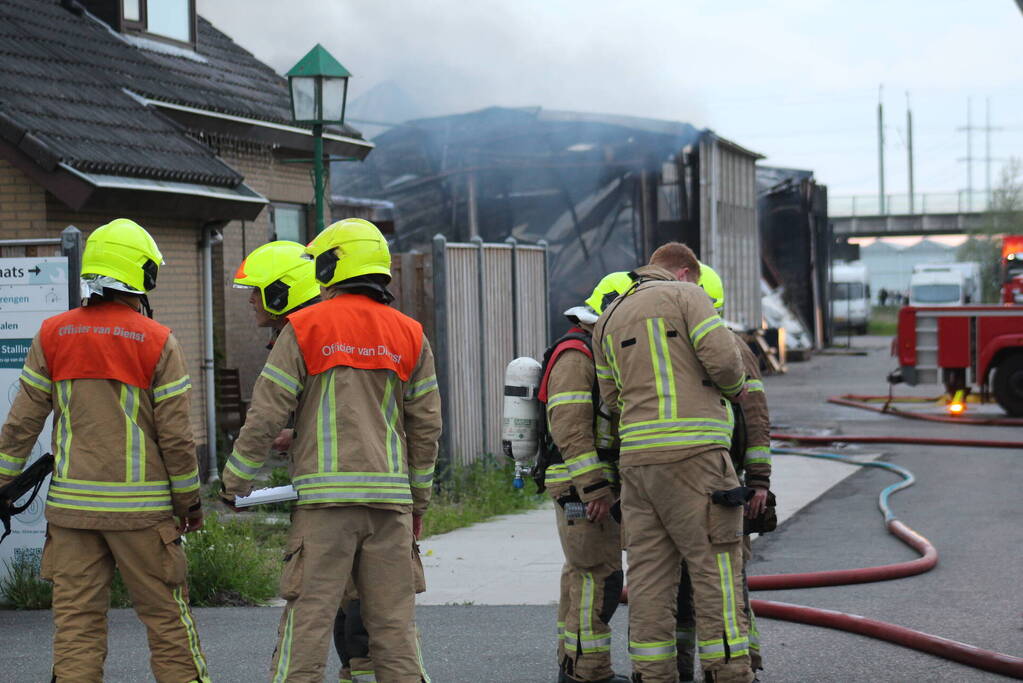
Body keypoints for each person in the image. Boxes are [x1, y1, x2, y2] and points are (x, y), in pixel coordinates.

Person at [221, 218, 442, 683]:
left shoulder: (304, 326)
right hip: (390, 506)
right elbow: (426, 430)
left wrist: (234, 483)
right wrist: (418, 502)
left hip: (325, 508)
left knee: (308, 624)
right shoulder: (410, 333)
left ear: (330, 265)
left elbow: (265, 415)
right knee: (395, 632)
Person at [0, 218, 210, 682]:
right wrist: (189, 503)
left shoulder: (53, 335)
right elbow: (176, 439)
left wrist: (1, 483)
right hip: (143, 515)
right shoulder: (158, 341)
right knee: (167, 623)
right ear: (142, 277)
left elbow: (20, 426)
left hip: (73, 515)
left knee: (77, 626)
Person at [593, 242, 754, 683]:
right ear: (685, 272)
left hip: (638, 464)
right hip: (697, 458)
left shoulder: (608, 318)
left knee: (648, 577)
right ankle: (729, 672)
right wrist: (736, 388)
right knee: (716, 567)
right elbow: (724, 362)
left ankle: (653, 674)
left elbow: (611, 398)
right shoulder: (689, 297)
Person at [670, 264, 772, 681]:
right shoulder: (675, 343)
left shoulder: (730, 346)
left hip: (727, 484)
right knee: (682, 588)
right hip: (694, 479)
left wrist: (759, 481)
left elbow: (756, 417)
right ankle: (682, 669)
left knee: (728, 580)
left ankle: (743, 663)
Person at [540, 272, 635, 683]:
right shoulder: (576, 355)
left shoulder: (593, 349)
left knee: (583, 575)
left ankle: (574, 666)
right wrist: (595, 486)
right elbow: (570, 427)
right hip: (581, 486)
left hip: (586, 482)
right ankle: (588, 672)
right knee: (600, 577)